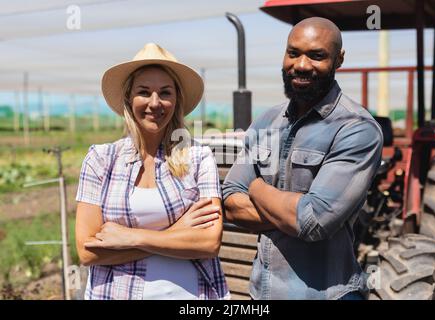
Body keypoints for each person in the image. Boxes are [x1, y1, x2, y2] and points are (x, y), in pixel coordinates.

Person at [222, 17, 383, 300]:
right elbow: (231, 203)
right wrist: (290, 213)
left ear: (339, 59)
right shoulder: (266, 121)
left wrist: (257, 189)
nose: (302, 65)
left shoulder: (355, 128)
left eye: (317, 55)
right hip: (262, 293)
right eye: (293, 53)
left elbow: (313, 221)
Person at [75, 43, 229, 300]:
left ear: (176, 99)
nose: (155, 103)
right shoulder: (101, 159)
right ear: (128, 98)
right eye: (144, 92)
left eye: (165, 93)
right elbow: (87, 252)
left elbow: (209, 243)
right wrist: (176, 234)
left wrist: (128, 237)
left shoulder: (199, 158)